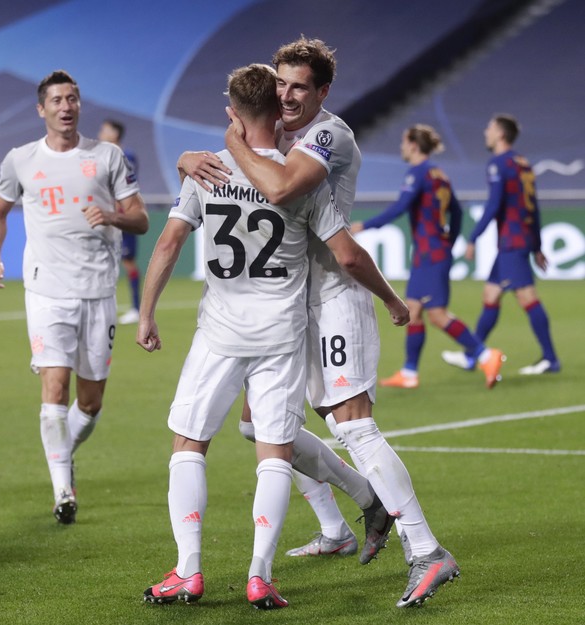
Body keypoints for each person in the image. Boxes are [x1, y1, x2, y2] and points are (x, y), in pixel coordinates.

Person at [181, 37, 460, 608]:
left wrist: (389, 299)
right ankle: (361, 504)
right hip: (288, 302)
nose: (285, 95)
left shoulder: (330, 135)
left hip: (335, 294)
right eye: (279, 83)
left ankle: (428, 551)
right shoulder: (274, 134)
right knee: (260, 427)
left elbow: (281, 187)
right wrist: (192, 158)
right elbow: (242, 163)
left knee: (353, 426)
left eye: (299, 86)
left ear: (322, 91)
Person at [140, 63, 408, 610]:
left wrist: (145, 313)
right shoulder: (299, 179)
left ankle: (188, 571)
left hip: (219, 333)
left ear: (232, 114)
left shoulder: (207, 171)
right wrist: (393, 300)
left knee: (190, 444)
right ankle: (259, 576)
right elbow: (348, 254)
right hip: (283, 334)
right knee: (273, 453)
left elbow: (166, 245)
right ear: (274, 109)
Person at [0, 70, 148, 525]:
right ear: (42, 109)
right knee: (54, 388)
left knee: (90, 402)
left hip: (98, 289)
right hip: (46, 289)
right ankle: (63, 490)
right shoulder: (20, 160)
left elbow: (140, 220)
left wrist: (113, 216)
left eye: (72, 98)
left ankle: (62, 454)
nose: (65, 106)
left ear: (79, 105)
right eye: (56, 99)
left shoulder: (107, 157)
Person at [351, 125, 505, 389]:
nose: (401, 147)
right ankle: (409, 372)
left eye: (403, 141)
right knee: (415, 310)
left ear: (413, 144)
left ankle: (485, 355)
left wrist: (365, 226)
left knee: (437, 315)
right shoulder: (439, 174)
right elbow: (456, 212)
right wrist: (450, 241)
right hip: (433, 252)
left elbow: (400, 207)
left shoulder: (419, 173)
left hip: (430, 254)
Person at [442, 114, 560, 375]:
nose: (486, 132)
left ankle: (551, 359)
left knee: (527, 297)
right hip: (521, 239)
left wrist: (473, 238)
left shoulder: (499, 163)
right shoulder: (523, 164)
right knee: (491, 295)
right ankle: (472, 356)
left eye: (490, 128)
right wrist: (537, 245)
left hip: (512, 242)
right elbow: (534, 208)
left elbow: (494, 205)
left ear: (501, 134)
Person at [98, 119, 142, 325]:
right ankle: (103, 306)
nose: (101, 133)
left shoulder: (126, 156)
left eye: (105, 130)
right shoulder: (100, 155)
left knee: (127, 260)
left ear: (115, 134)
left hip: (123, 216)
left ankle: (136, 307)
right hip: (105, 216)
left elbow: (126, 187)